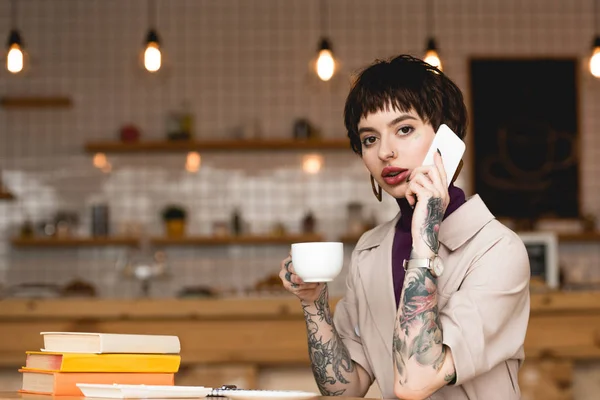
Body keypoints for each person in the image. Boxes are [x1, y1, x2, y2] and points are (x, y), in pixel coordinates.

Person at [279, 54, 530, 400]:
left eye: (404, 129)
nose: (385, 152)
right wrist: (314, 303)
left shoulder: (498, 250)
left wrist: (424, 238)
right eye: (369, 139)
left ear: (448, 140)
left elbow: (416, 380)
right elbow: (343, 389)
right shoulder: (370, 251)